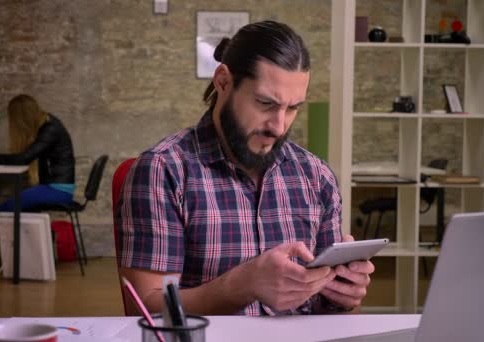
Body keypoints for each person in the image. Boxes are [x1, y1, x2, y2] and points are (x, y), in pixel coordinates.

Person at [116, 21, 374, 316]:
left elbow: (326, 308)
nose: (279, 126)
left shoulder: (317, 176)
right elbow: (145, 309)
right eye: (265, 103)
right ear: (223, 81)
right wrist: (243, 284)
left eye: (292, 108)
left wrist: (342, 293)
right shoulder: (163, 171)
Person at [0, 94, 76, 225]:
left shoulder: (50, 129)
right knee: (21, 212)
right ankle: (24, 243)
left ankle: (14, 243)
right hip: (54, 187)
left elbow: (24, 158)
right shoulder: (47, 123)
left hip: (58, 191)